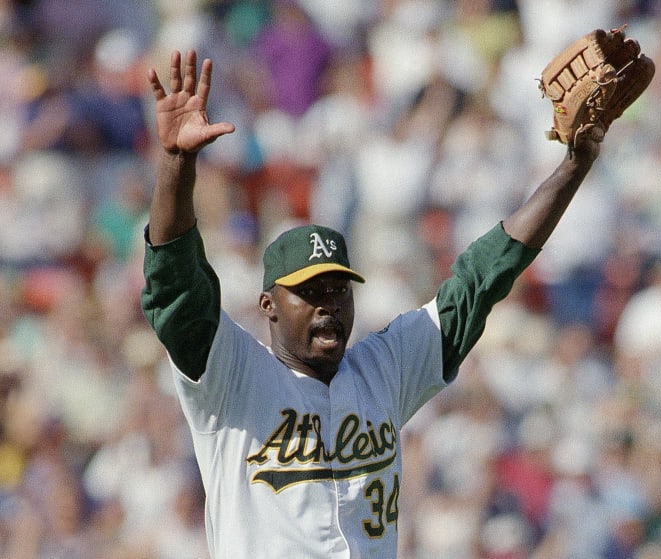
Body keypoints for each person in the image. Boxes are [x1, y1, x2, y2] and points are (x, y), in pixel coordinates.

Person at [141, 49, 601, 559]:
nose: (327, 304)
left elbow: (481, 279)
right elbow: (176, 286)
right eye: (309, 292)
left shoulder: (384, 369)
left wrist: (573, 168)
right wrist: (175, 165)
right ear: (269, 305)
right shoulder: (231, 377)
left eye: (337, 289)